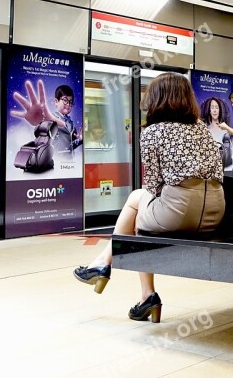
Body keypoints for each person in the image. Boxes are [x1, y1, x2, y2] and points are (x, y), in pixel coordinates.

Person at [73, 73, 224, 323]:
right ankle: (139, 292)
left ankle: (107, 266)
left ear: (158, 99)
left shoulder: (153, 132)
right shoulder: (200, 127)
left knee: (136, 201)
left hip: (181, 211)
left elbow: (152, 185)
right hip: (215, 208)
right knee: (140, 214)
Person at [201, 97, 233, 171]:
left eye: (217, 107)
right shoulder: (205, 130)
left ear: (220, 110)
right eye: (212, 107)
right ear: (209, 110)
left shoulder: (226, 130)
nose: (215, 110)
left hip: (225, 168)